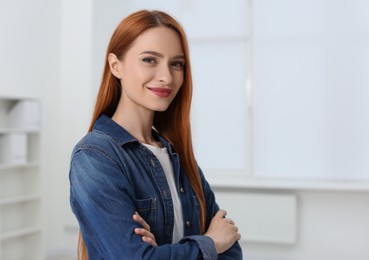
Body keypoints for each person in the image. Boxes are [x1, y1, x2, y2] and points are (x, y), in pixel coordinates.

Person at [69, 9, 242, 259]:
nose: (166, 77)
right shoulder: (95, 157)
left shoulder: (177, 155)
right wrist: (209, 244)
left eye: (177, 63)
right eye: (150, 59)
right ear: (116, 65)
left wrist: (162, 251)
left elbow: (232, 250)